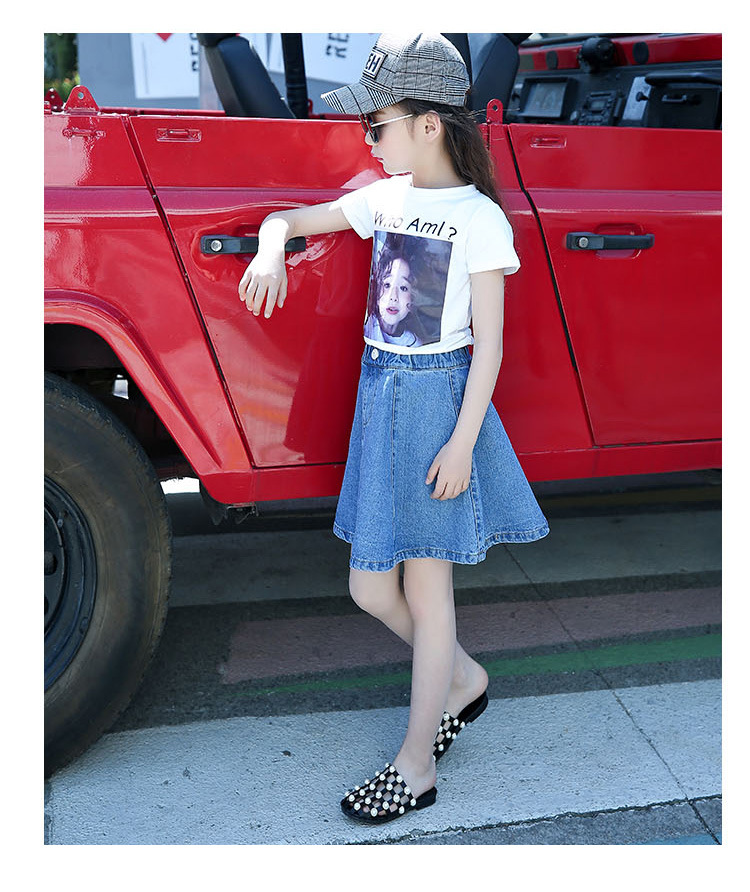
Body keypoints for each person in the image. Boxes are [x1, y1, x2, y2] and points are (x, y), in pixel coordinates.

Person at [238, 32, 549, 825]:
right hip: (382, 402)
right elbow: (290, 219)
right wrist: (271, 247)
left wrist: (462, 442)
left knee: (427, 587)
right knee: (369, 586)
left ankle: (417, 765)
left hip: (439, 405)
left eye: (376, 125)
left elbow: (490, 345)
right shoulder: (384, 198)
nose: (367, 140)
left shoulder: (478, 218)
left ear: (428, 124)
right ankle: (462, 679)